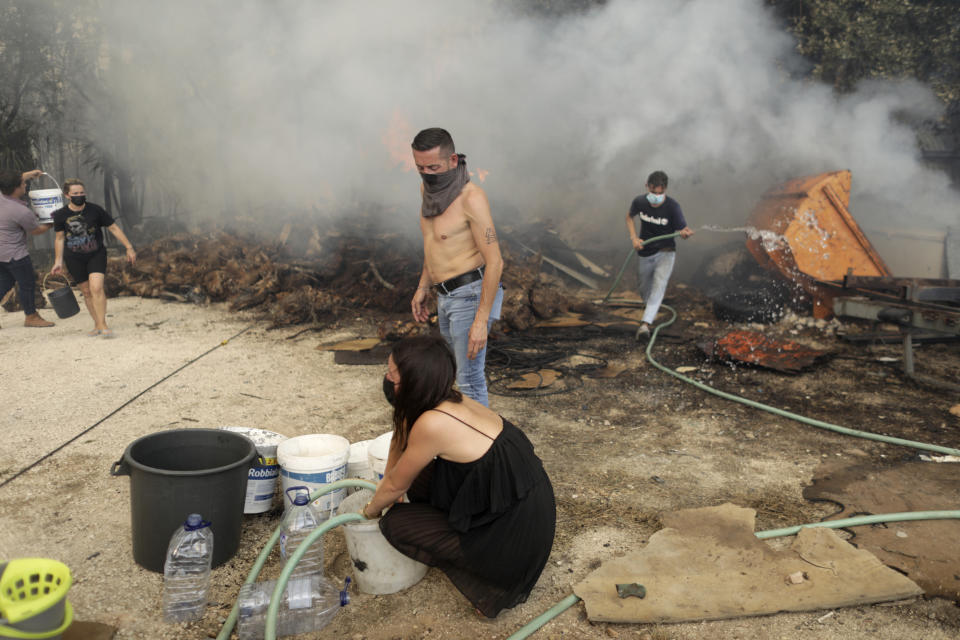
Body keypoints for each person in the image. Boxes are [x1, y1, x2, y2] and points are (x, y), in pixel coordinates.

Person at [363, 335, 556, 618]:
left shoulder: (433, 423)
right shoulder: (442, 398)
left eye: (392, 374)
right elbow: (400, 441)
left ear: (414, 381)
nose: (386, 377)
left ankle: (486, 572)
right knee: (416, 473)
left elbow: (395, 484)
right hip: (515, 503)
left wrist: (370, 510)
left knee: (395, 523)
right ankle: (453, 531)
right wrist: (386, 481)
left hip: (515, 535)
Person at [409, 128, 504, 407]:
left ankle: (482, 448)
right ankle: (459, 438)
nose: (427, 173)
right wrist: (423, 286)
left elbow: (495, 261)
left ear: (452, 160)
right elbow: (433, 243)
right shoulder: (428, 189)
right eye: (420, 167)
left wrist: (480, 321)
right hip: (444, 297)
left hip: (469, 296)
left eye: (433, 167)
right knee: (451, 376)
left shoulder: (471, 197)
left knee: (470, 381)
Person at [51, 179, 136, 337]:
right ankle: (97, 323)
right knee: (86, 291)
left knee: (96, 287)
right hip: (74, 257)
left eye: (81, 192)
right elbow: (59, 238)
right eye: (75, 193)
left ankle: (103, 324)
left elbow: (113, 227)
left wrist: (129, 247)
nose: (79, 195)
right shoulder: (60, 215)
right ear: (67, 195)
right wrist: (58, 261)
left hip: (96, 254)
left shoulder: (95, 210)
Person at [625, 170, 694, 339]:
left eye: (660, 193)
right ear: (646, 186)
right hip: (645, 252)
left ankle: (645, 325)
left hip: (666, 252)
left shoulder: (672, 207)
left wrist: (685, 234)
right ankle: (650, 311)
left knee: (659, 286)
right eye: (653, 192)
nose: (656, 196)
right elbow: (629, 217)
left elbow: (682, 230)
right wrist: (634, 238)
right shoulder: (639, 202)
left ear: (665, 190)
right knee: (644, 289)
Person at [0, 168, 56, 328]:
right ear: (17, 188)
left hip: (1, 253)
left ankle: (31, 315)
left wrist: (29, 174)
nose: (25, 185)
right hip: (15, 255)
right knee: (27, 284)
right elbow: (36, 231)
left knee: (4, 283)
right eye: (23, 183)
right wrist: (50, 223)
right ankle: (31, 316)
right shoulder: (21, 211)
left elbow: (8, 182)